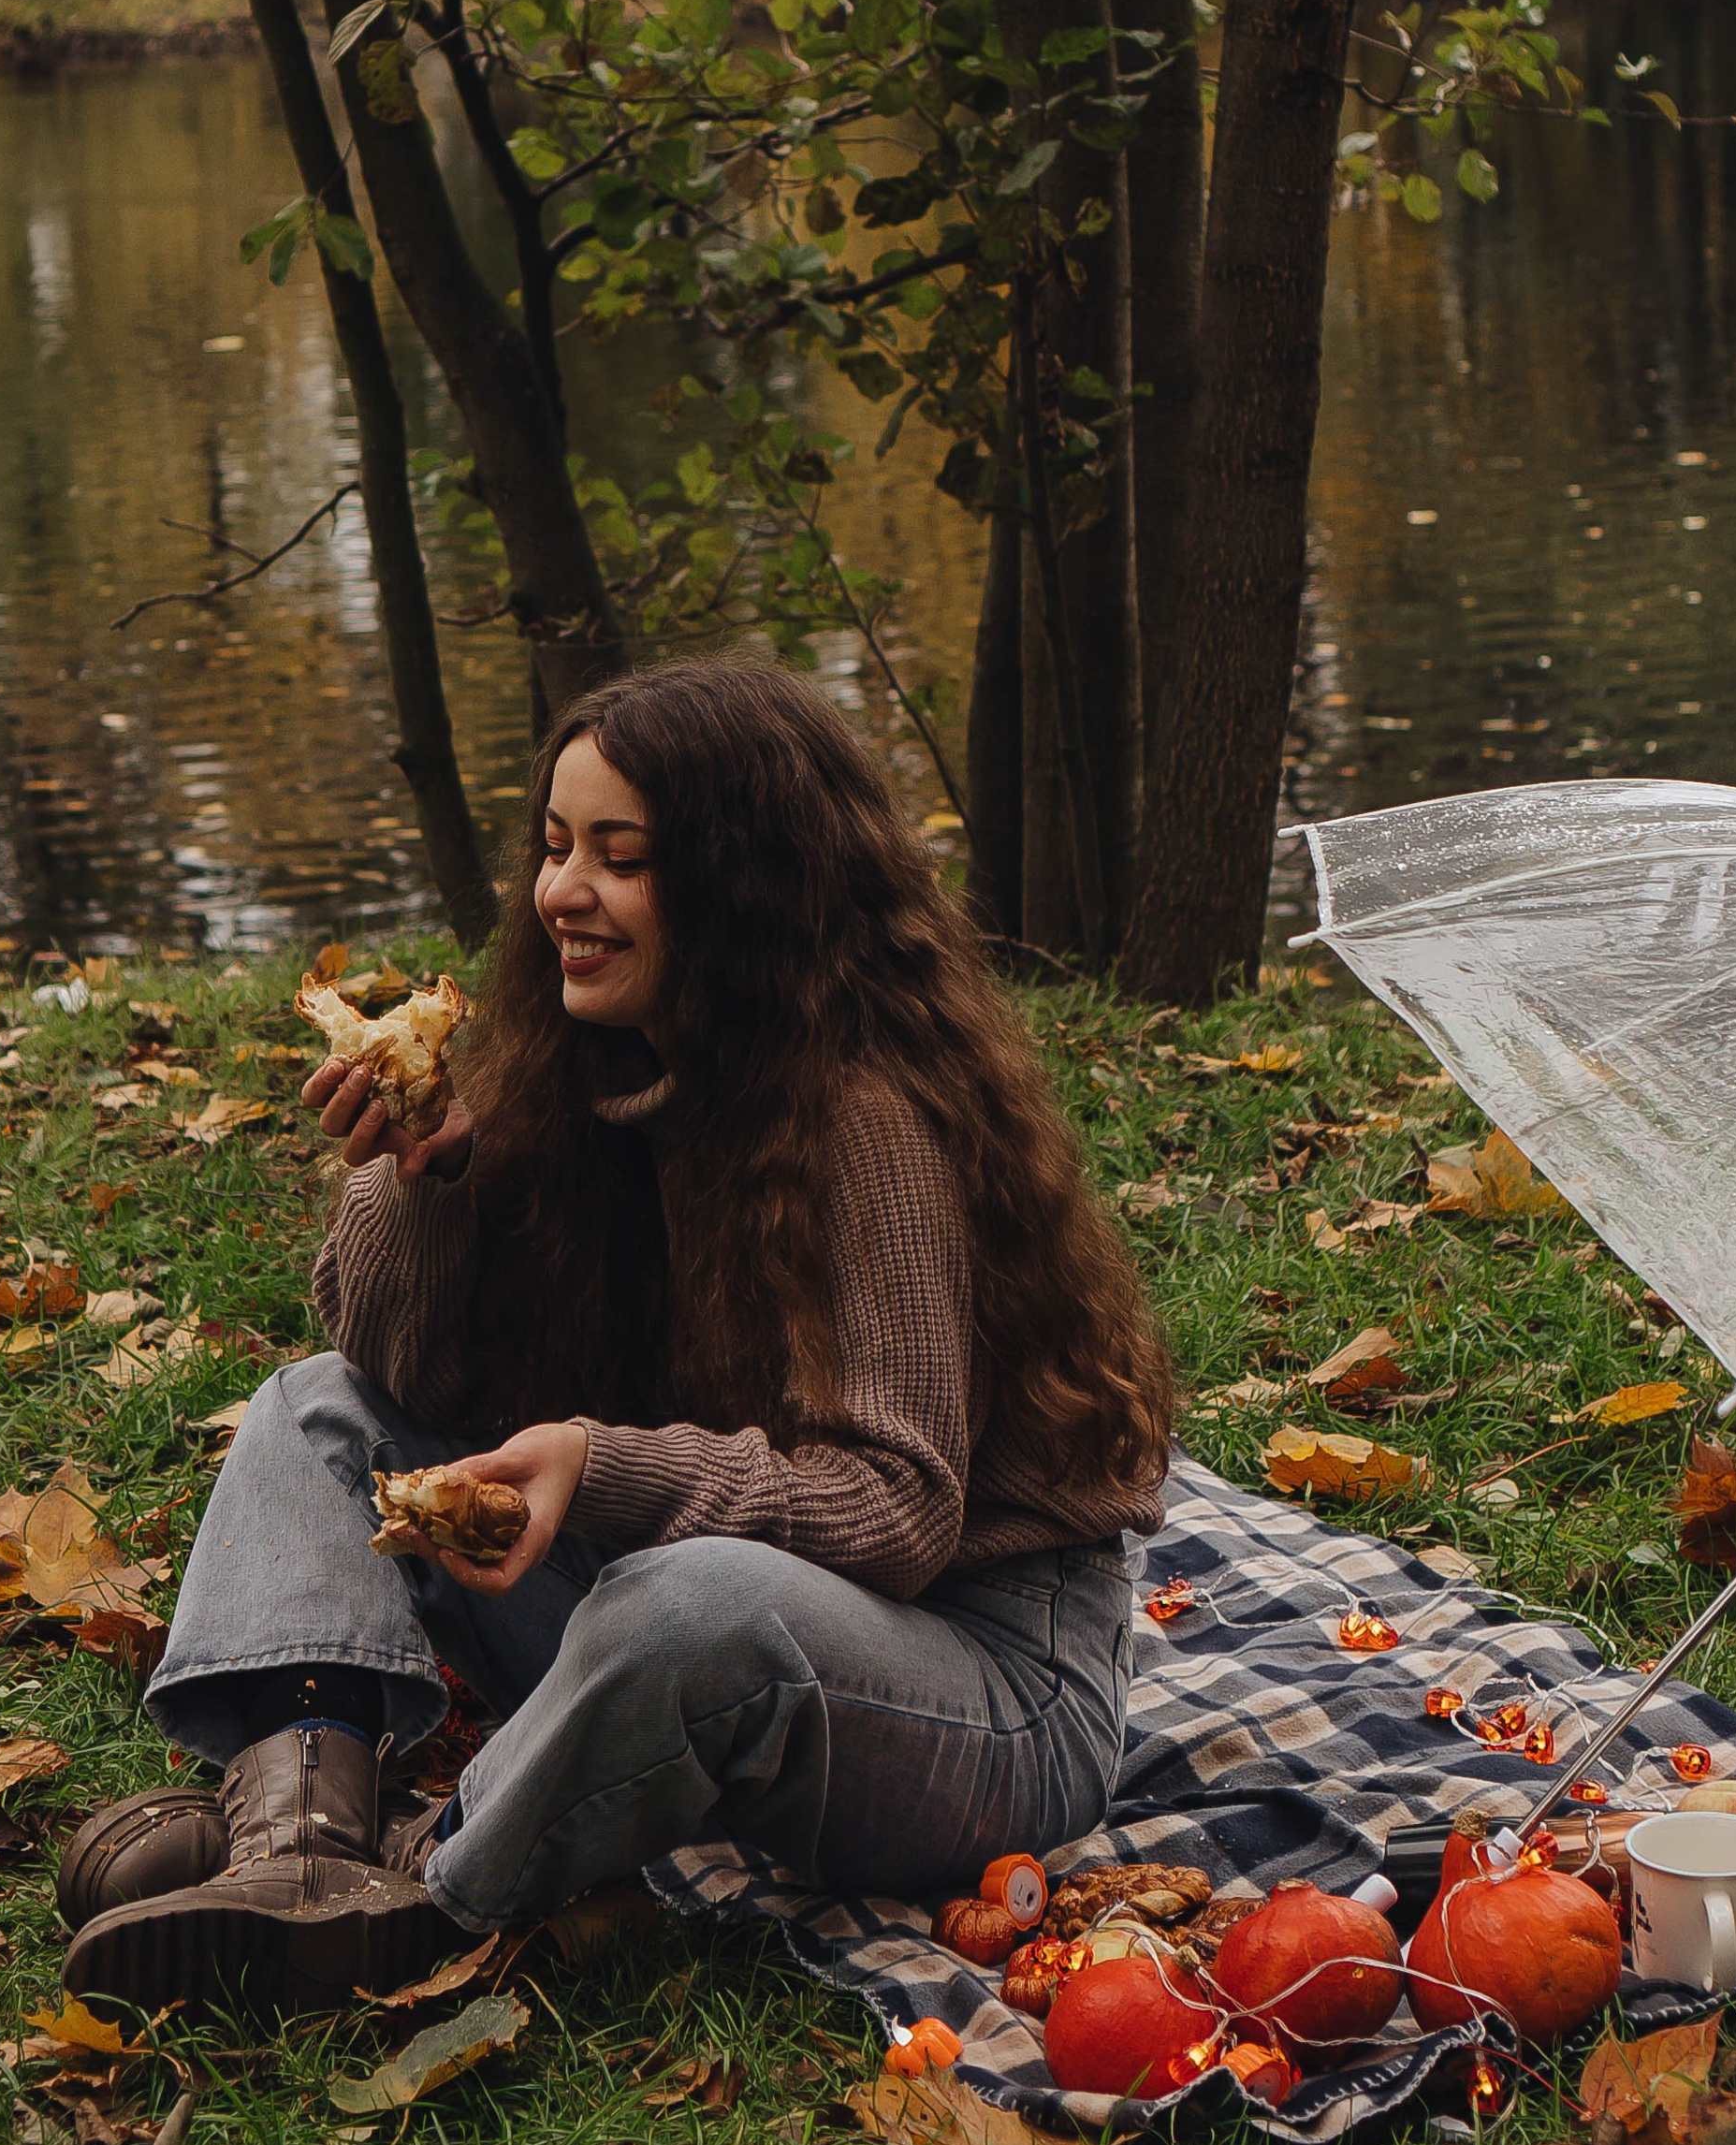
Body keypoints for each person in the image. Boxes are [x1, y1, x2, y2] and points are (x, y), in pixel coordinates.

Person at [57, 655, 1174, 2014]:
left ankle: (430, 1893)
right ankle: (297, 1838)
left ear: (739, 880)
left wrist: (606, 1466)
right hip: (706, 1617)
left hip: (974, 1683)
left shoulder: (866, 1119)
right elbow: (400, 1371)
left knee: (688, 1598)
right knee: (316, 1410)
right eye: (553, 846)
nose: (560, 893)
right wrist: (424, 1178)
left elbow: (901, 1515)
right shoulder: (595, 1062)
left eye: (620, 857)